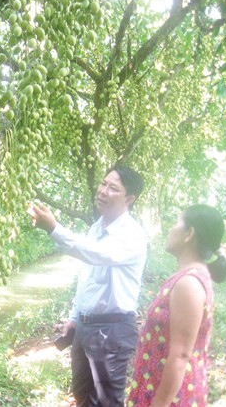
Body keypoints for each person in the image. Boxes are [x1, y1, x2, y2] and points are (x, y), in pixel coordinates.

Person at [27, 164, 148, 407]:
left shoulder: (132, 235)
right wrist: (75, 316)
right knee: (82, 395)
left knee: (105, 402)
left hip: (112, 332)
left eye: (112, 188)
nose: (103, 190)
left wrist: (54, 228)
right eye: (103, 183)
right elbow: (88, 276)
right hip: (86, 327)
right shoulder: (96, 228)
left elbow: (96, 255)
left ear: (130, 199)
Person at [127, 204, 226, 407]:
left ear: (189, 234)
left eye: (176, 222)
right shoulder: (186, 277)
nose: (170, 228)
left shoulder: (188, 284)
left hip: (170, 397)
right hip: (157, 386)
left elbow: (181, 355)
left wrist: (159, 404)